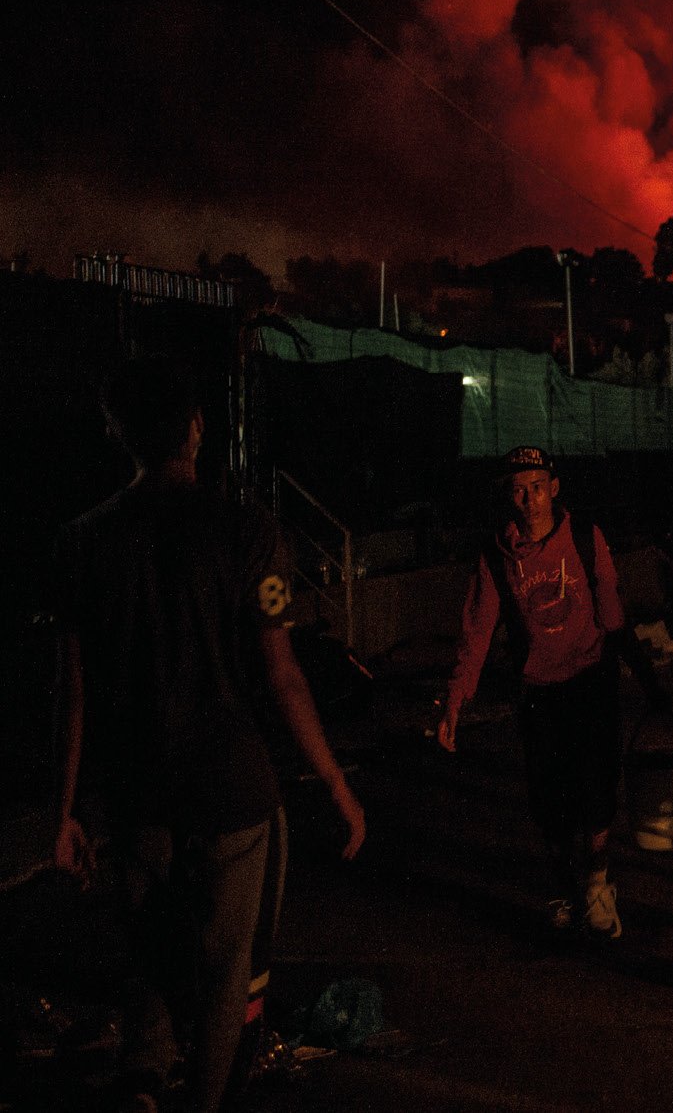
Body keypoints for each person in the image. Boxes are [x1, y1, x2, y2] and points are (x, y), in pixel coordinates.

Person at [51, 358, 366, 1113]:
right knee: (226, 972)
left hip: (133, 792)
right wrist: (335, 781)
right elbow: (283, 674)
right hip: (230, 788)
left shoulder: (80, 543)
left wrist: (65, 809)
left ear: (116, 433)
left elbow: (72, 692)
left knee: (150, 955)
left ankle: (142, 1082)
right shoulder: (250, 532)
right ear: (198, 428)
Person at [438, 446, 634, 939]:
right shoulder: (496, 557)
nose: (529, 499)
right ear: (508, 496)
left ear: (554, 487)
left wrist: (623, 643)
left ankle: (595, 885)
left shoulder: (585, 539)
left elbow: (611, 611)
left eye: (537, 486)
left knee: (596, 791)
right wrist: (456, 701)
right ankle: (564, 887)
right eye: (518, 489)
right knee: (550, 801)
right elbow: (477, 632)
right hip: (537, 691)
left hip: (590, 679)